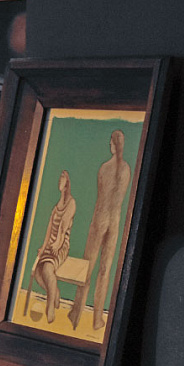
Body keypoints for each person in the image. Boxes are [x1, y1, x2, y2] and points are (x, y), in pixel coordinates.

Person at [68, 130, 131, 331]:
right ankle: (97, 319)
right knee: (105, 270)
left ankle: (76, 313)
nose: (109, 145)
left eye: (110, 142)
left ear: (113, 144)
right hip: (115, 221)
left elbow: (101, 198)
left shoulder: (104, 168)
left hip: (101, 218)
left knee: (88, 266)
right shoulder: (127, 170)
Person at [33, 170, 76, 323]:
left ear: (67, 183)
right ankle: (54, 292)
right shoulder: (57, 205)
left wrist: (57, 243)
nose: (59, 181)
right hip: (51, 244)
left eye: (62, 179)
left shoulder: (71, 203)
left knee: (47, 269)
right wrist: (43, 247)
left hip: (61, 245)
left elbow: (63, 227)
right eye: (59, 179)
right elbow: (49, 229)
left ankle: (50, 305)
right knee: (38, 273)